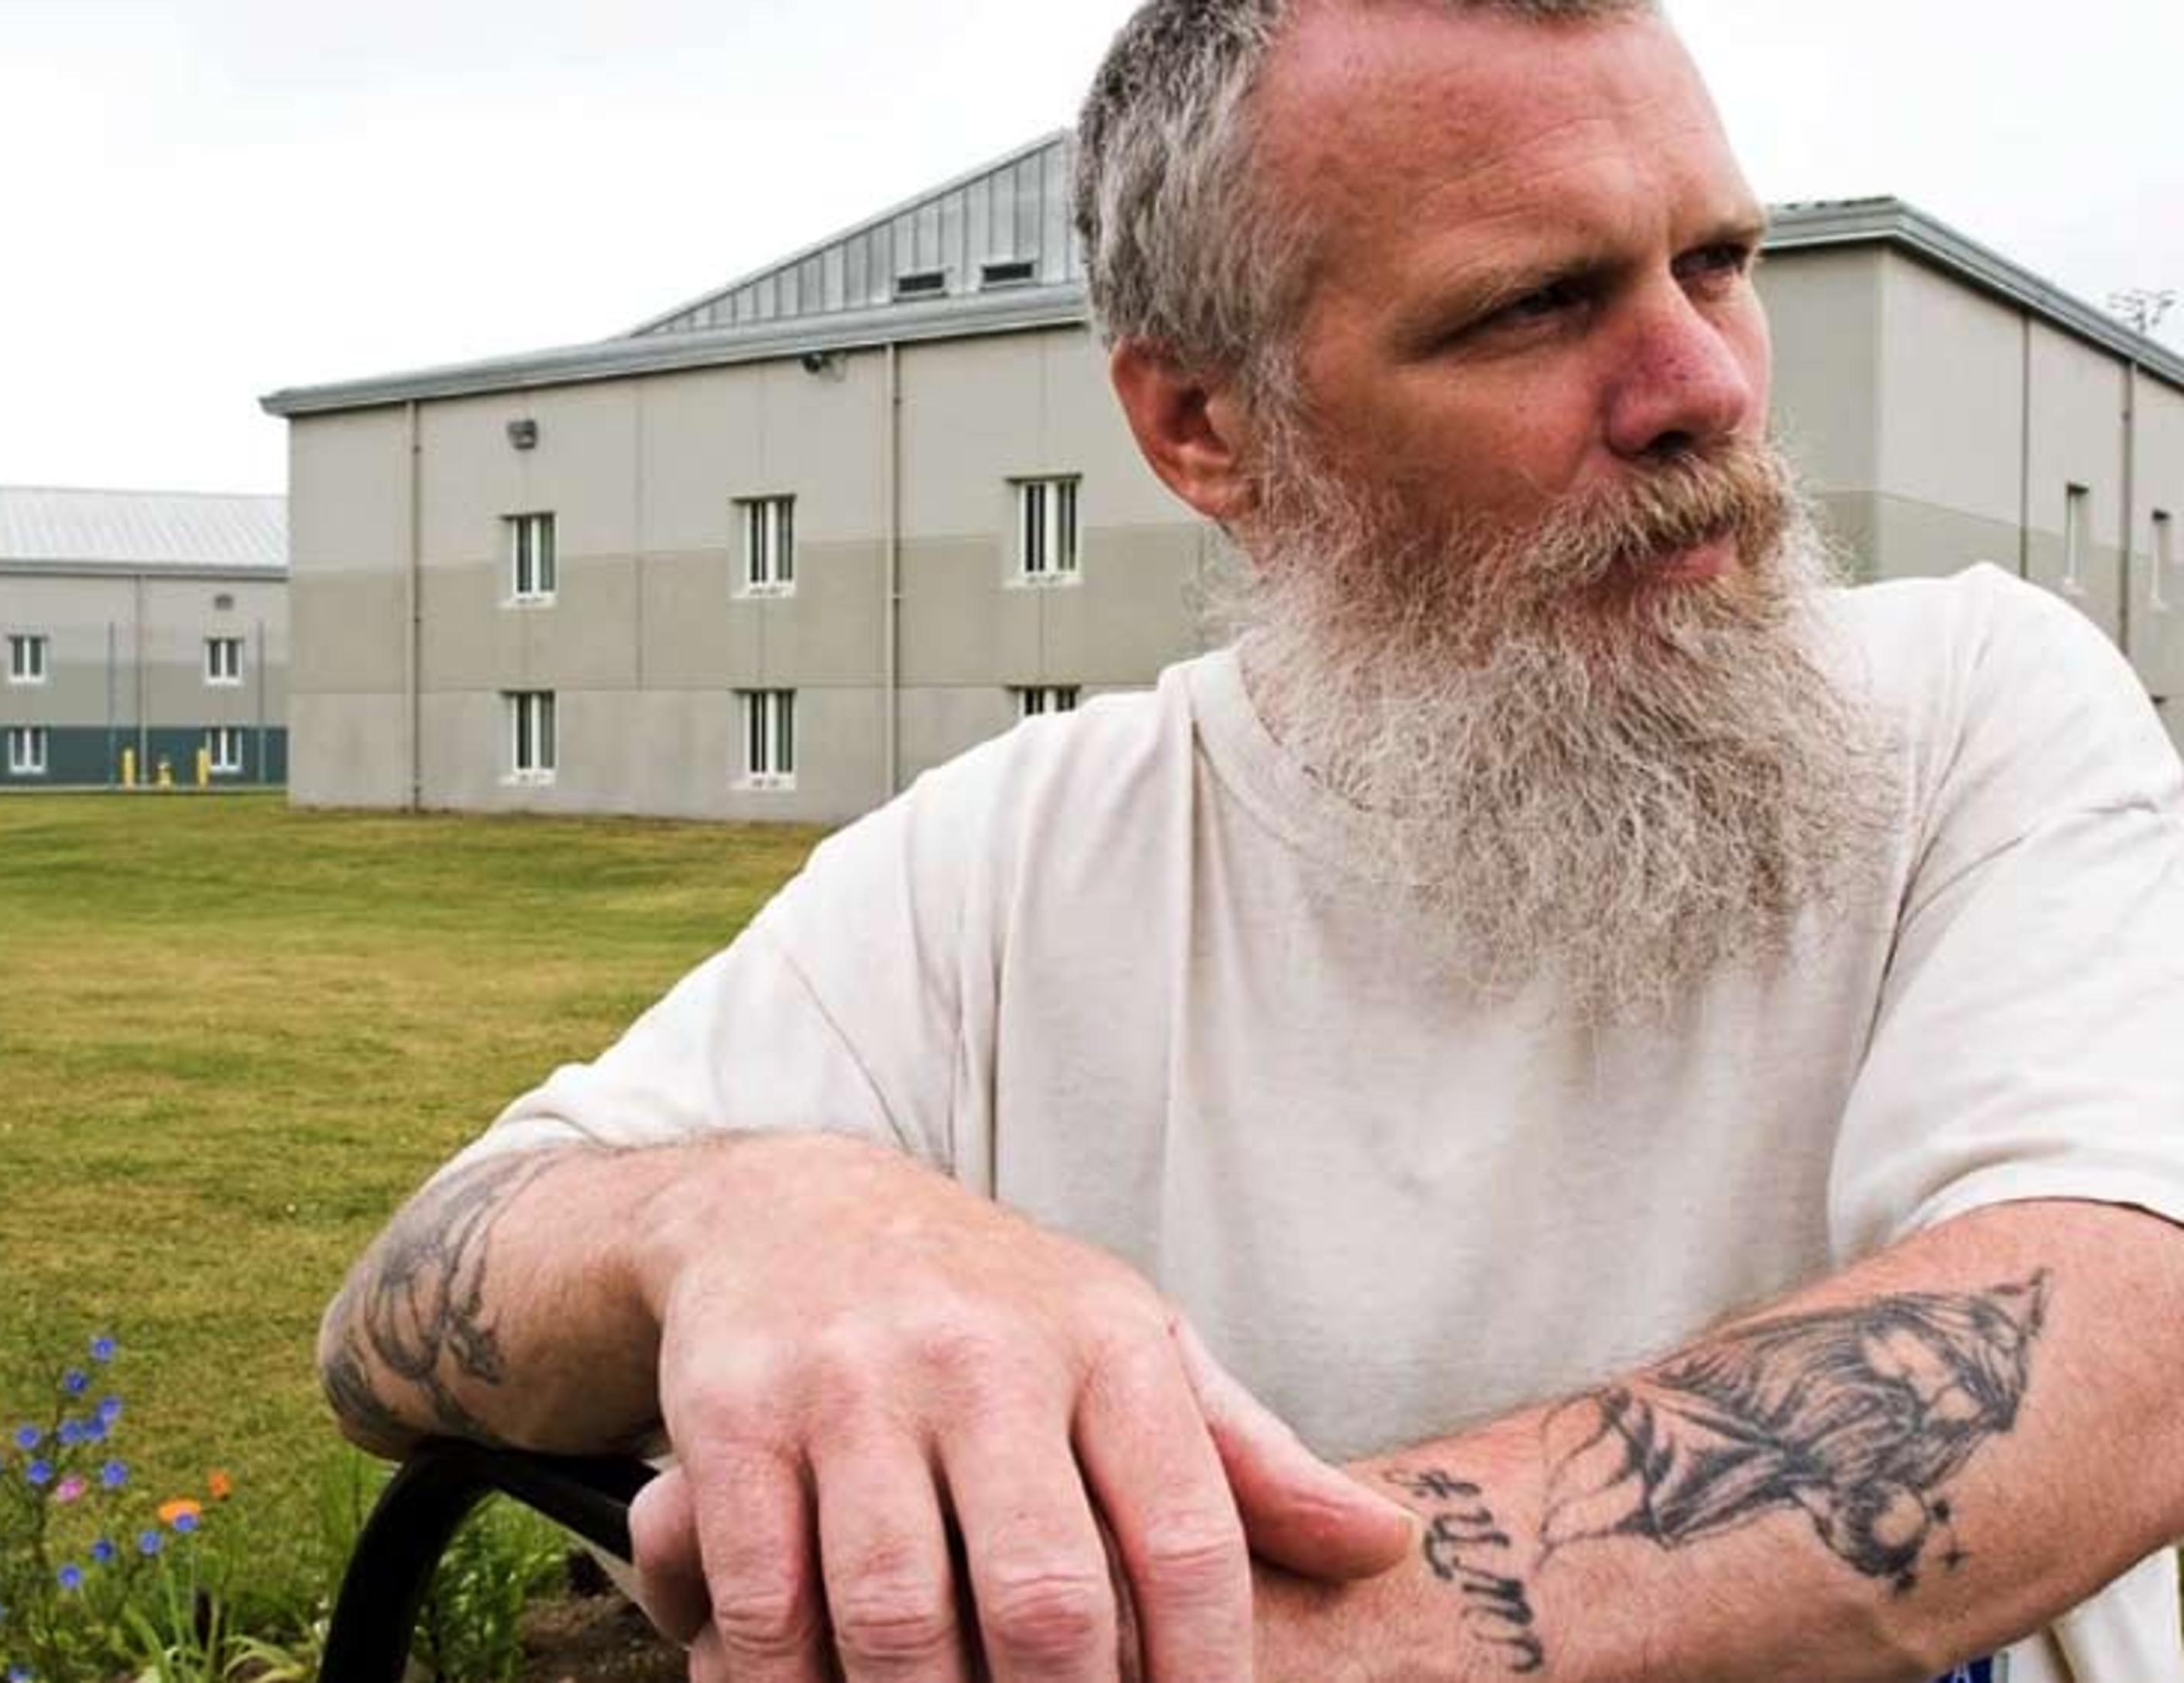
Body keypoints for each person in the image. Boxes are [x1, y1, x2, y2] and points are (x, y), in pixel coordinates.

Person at [318, 0, 2184, 1677]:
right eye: (1534, 306)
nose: (1705, 386)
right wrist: (743, 1215)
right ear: (1205, 425)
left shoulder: (1971, 706)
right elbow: (395, 1321)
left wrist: (1189, 1637)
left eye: (1717, 262)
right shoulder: (1012, 864)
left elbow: (2123, 1329)